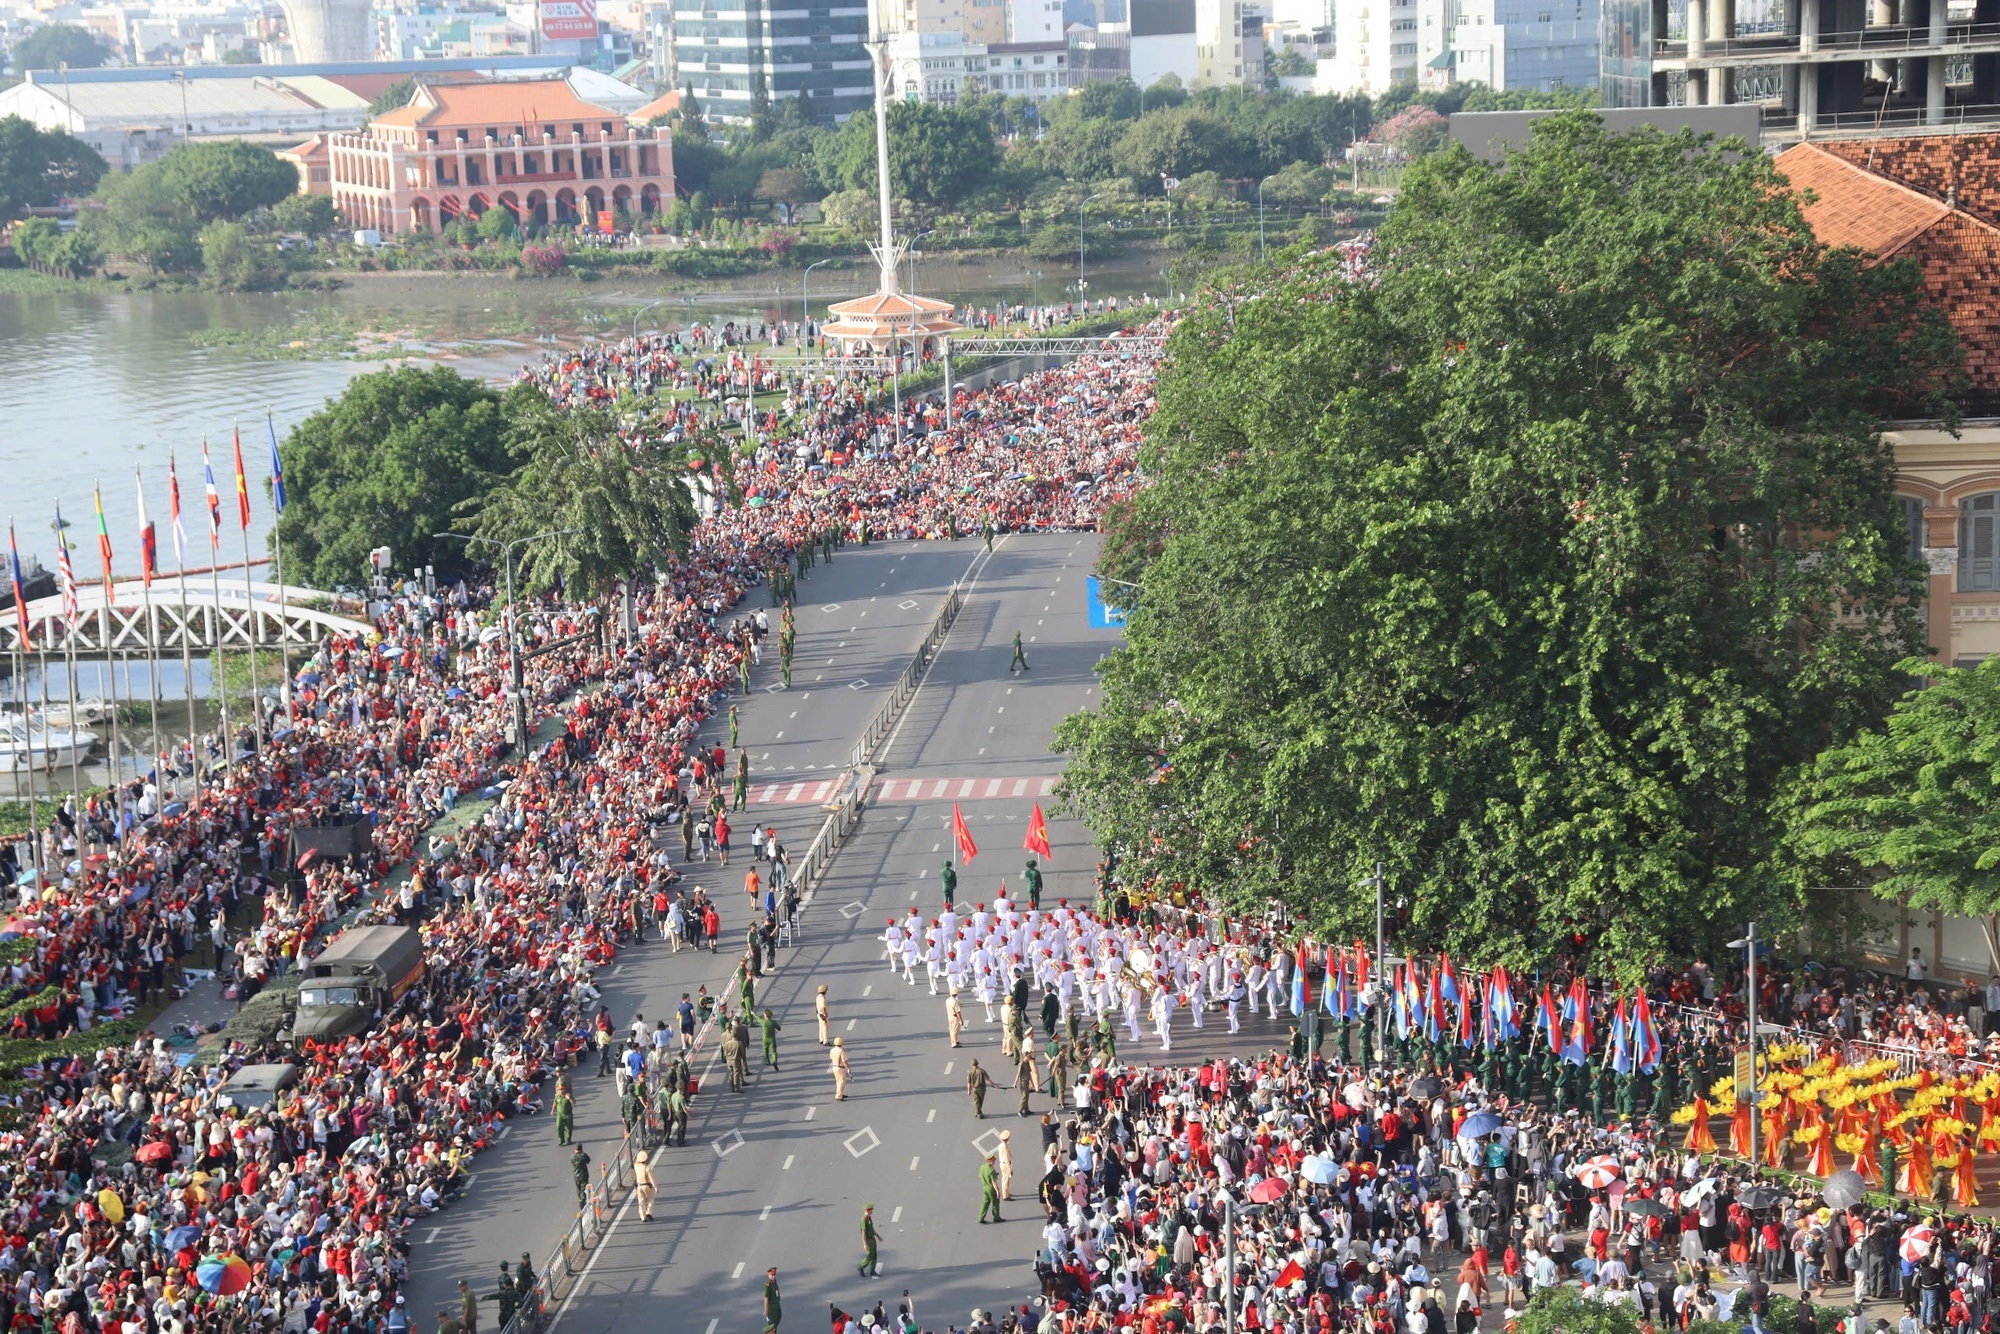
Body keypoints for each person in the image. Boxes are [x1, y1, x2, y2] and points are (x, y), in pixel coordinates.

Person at [634, 1148, 658, 1221]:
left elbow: (636, 1162)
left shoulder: (636, 1166)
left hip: (639, 1186)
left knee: (641, 1202)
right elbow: (651, 1178)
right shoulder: (647, 1168)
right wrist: (655, 1187)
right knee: (651, 1199)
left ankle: (642, 1217)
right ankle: (648, 1212)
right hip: (647, 1185)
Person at [979, 1153, 1003, 1223]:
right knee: (995, 1202)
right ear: (989, 1161)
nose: (994, 1162)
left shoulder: (982, 1167)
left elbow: (980, 1176)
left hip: (985, 1187)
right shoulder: (991, 1170)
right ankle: (996, 1217)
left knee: (985, 1203)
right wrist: (997, 1191)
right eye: (993, 1161)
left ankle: (981, 1218)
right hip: (991, 1188)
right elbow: (994, 1182)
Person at [859, 1205, 881, 1279]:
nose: (872, 1211)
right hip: (868, 1240)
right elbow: (863, 1233)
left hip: (872, 1239)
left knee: (874, 1255)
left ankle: (872, 1270)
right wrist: (865, 1244)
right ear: (868, 1210)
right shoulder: (864, 1220)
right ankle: (861, 1267)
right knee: (869, 1256)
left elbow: (871, 1228)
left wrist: (877, 1236)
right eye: (871, 1210)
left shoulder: (869, 1218)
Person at [571, 1143, 593, 1209]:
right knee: (583, 1189)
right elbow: (588, 1161)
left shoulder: (572, 1156)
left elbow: (572, 1161)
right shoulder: (583, 1155)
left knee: (578, 1189)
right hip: (584, 1174)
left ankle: (580, 1199)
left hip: (576, 1175)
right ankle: (582, 1202)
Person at [831, 1036, 851, 1100]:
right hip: (840, 1068)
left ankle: (840, 1094)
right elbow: (844, 1060)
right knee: (842, 1082)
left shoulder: (832, 1050)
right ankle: (839, 1096)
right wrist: (848, 1068)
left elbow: (831, 1057)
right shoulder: (841, 1051)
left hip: (834, 1067)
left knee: (838, 1082)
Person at [996, 1130, 1015, 1200]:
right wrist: (1010, 1169)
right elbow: (1007, 1159)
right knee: (1006, 1180)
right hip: (1005, 1165)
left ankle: (1006, 1192)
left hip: (1002, 1164)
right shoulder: (1004, 1147)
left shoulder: (1001, 1145)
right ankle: (1005, 1196)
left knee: (1005, 1179)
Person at [763, 1267, 783, 1334]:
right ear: (768, 1275)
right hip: (772, 1309)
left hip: (777, 1307)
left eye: (774, 1275)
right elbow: (766, 1298)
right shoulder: (768, 1285)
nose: (773, 1276)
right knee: (772, 1328)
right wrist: (766, 1310)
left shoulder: (774, 1282)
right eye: (772, 1275)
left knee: (774, 1327)